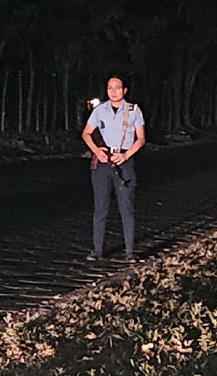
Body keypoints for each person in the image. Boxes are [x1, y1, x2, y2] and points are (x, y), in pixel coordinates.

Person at [82, 75, 146, 262]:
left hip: (124, 160)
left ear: (124, 90)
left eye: (117, 88)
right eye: (110, 88)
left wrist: (126, 155)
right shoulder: (100, 110)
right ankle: (97, 250)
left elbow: (141, 139)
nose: (114, 91)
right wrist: (96, 150)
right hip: (103, 162)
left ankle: (129, 252)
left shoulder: (134, 111)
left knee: (126, 208)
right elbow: (86, 133)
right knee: (100, 207)